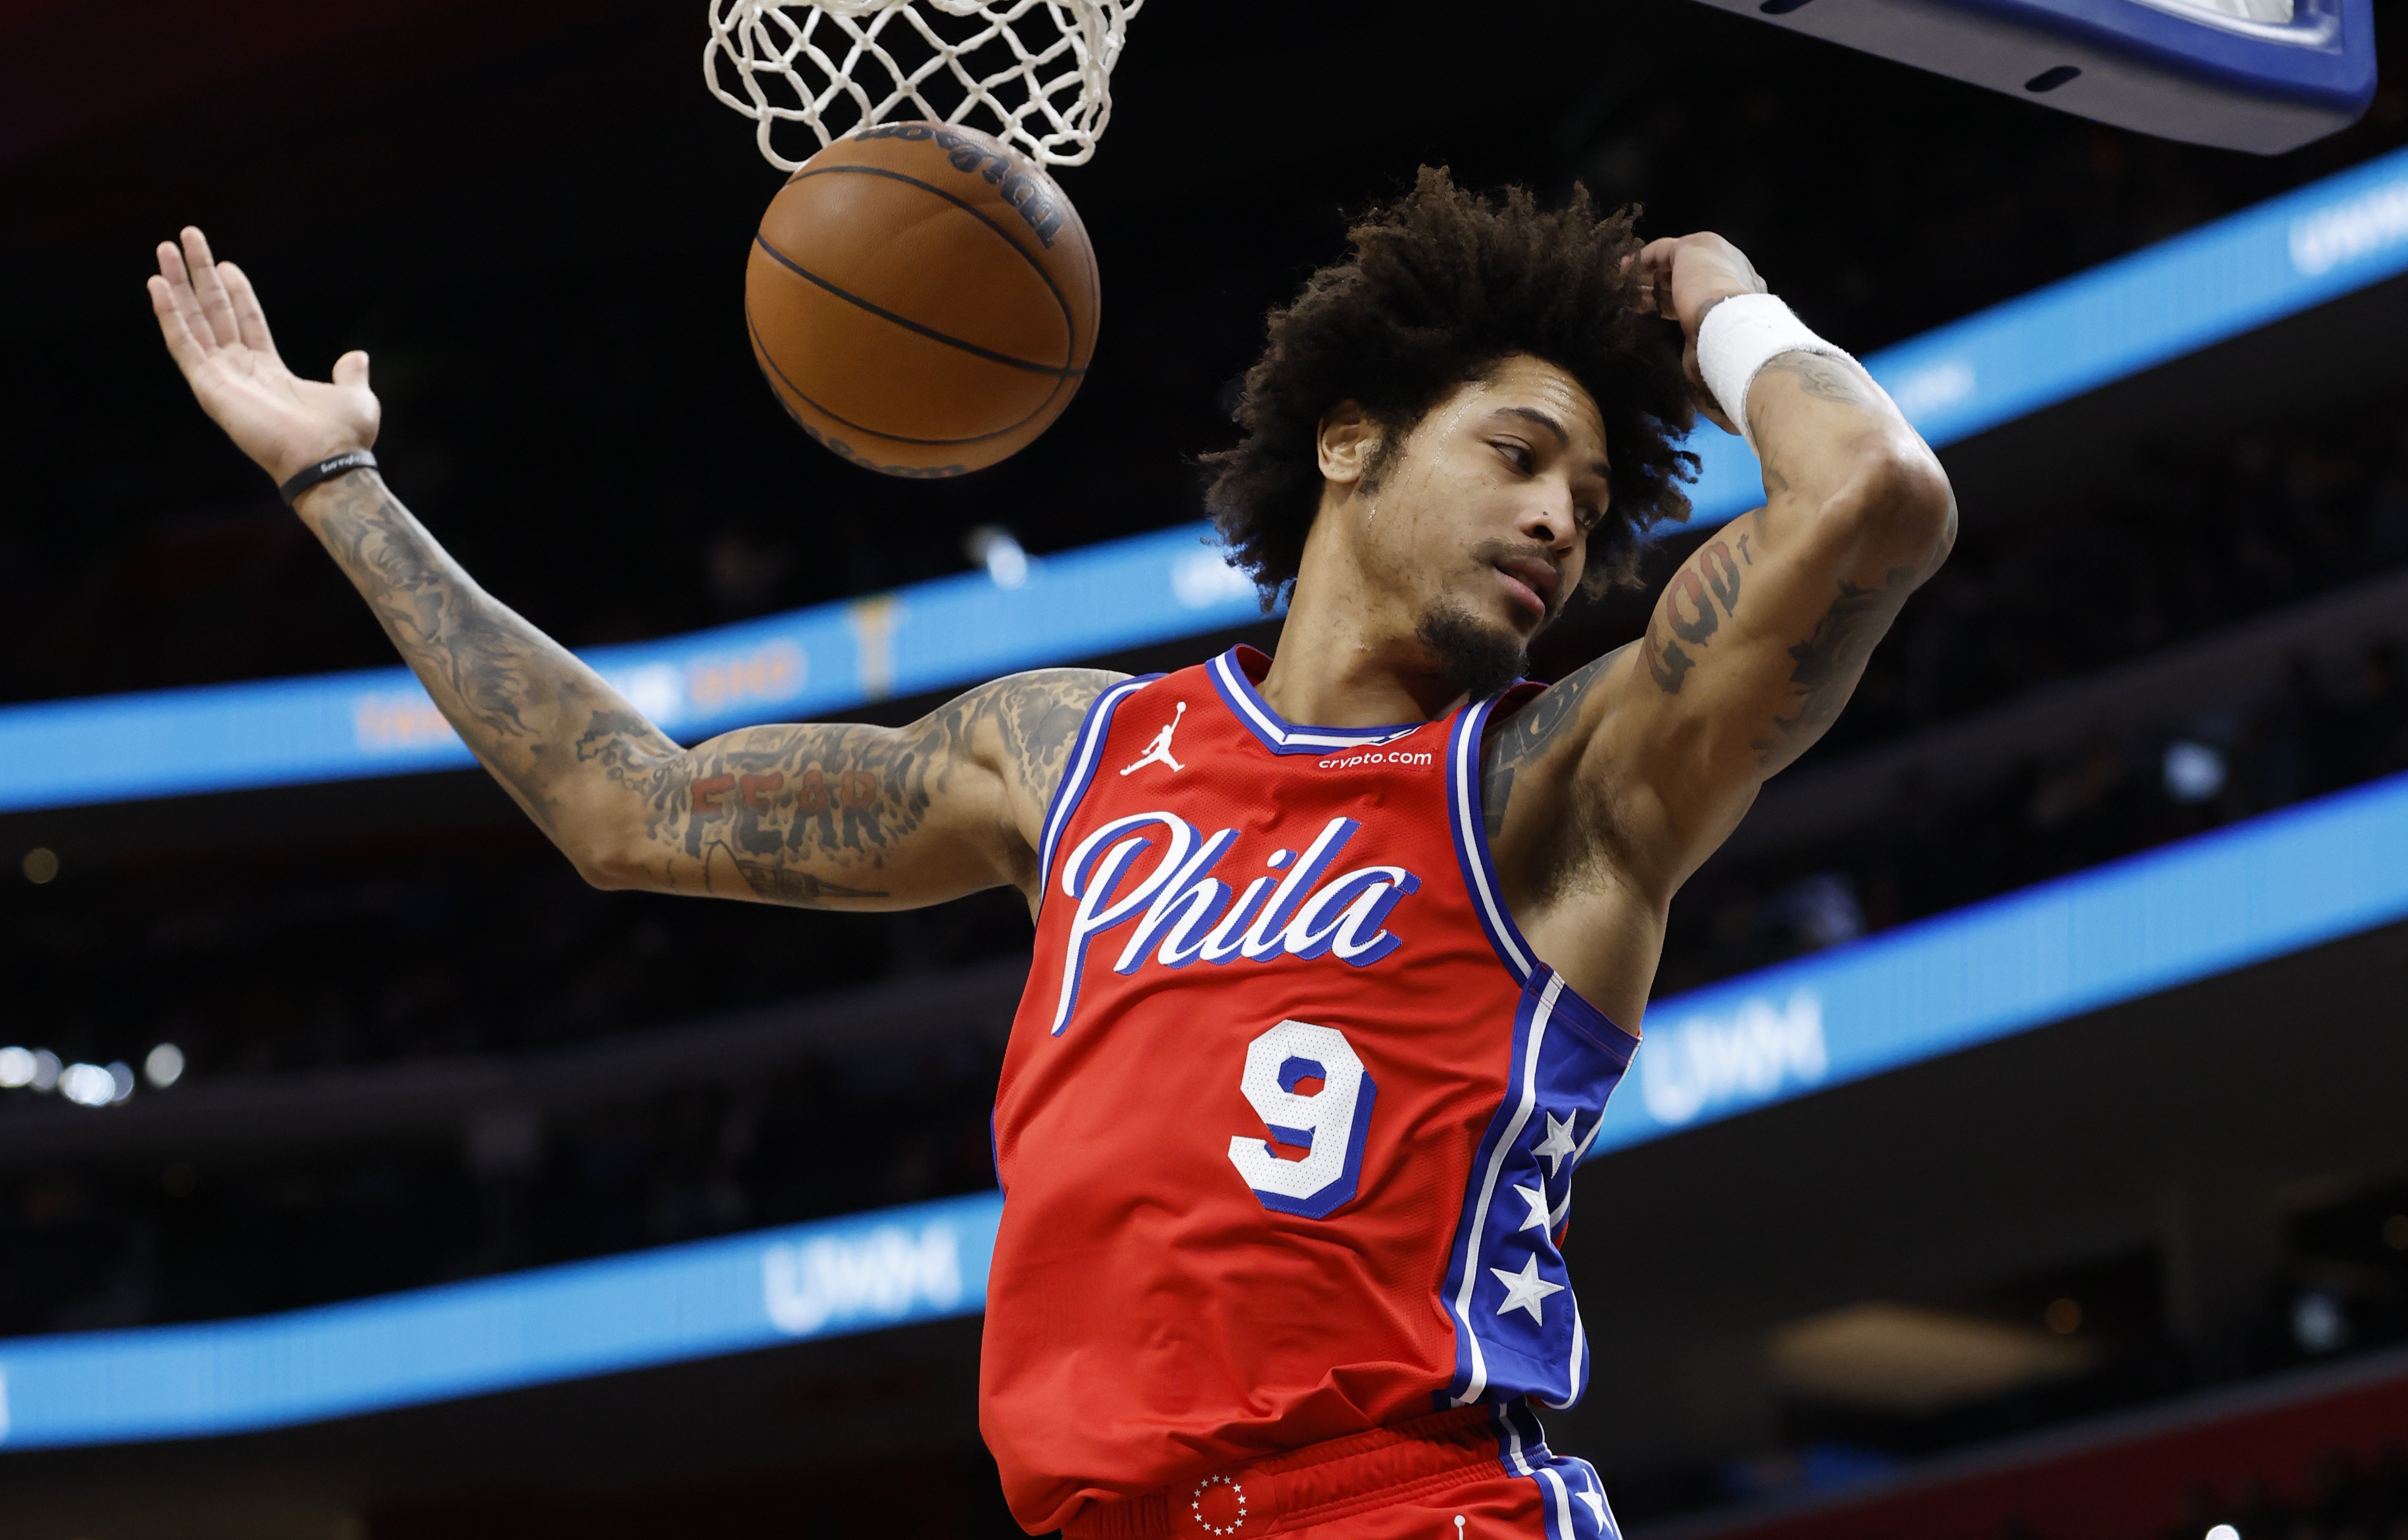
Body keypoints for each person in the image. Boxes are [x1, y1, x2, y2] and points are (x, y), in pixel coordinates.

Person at [148, 170, 1953, 1540]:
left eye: (1591, 496)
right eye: (1519, 451)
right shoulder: (1067, 751)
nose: (1560, 516)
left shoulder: (1550, 784)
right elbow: (631, 807)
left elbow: (1874, 494)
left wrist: (1722, 301)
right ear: (1350, 438)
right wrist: (339, 484)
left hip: (1411, 1502)